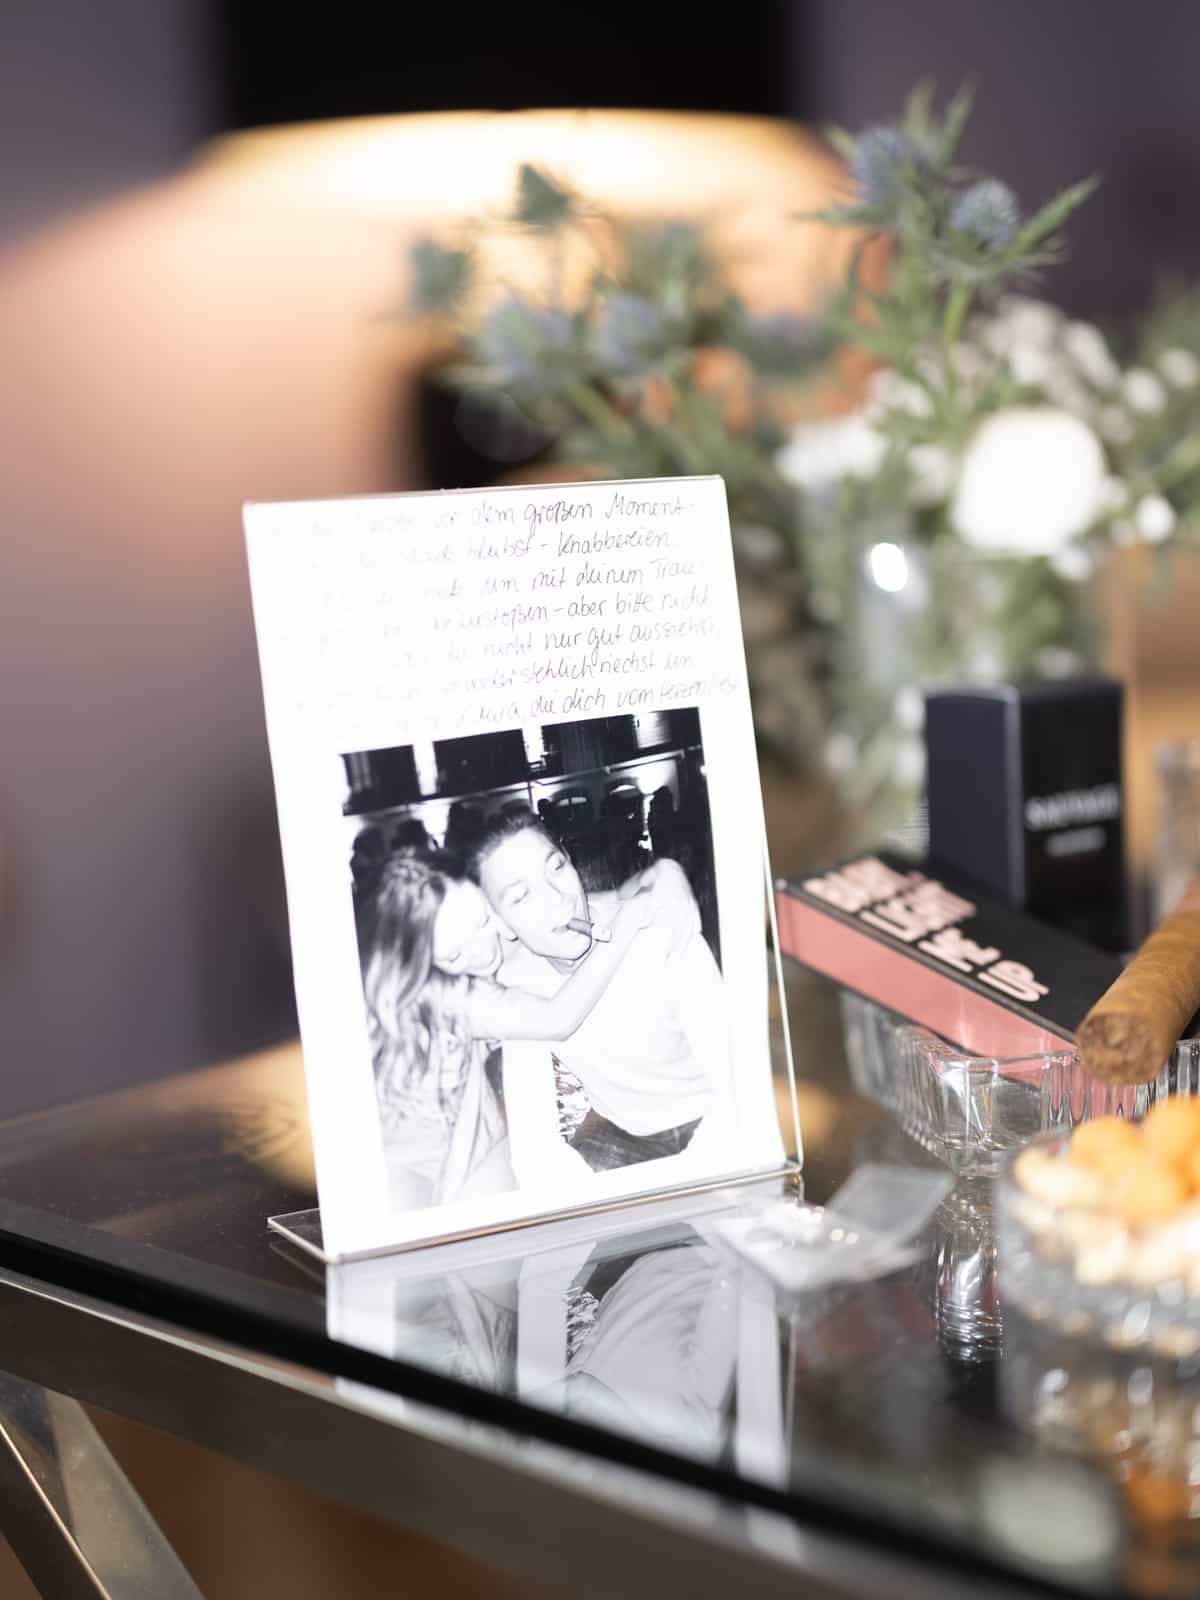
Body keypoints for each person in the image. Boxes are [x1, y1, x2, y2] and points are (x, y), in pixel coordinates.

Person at [357, 844, 657, 1207]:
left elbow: (556, 913)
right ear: (419, 965)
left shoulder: (461, 938)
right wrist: (627, 922)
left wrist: (643, 885)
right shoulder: (449, 997)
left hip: (470, 1149)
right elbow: (559, 1018)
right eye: (454, 954)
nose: (485, 951)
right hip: (418, 1174)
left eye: (483, 921)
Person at [468, 809, 739, 1182]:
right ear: (499, 922)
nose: (558, 900)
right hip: (622, 1133)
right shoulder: (516, 985)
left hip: (713, 1113)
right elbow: (534, 1143)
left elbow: (738, 1083)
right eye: (521, 894)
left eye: (557, 867)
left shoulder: (659, 927)